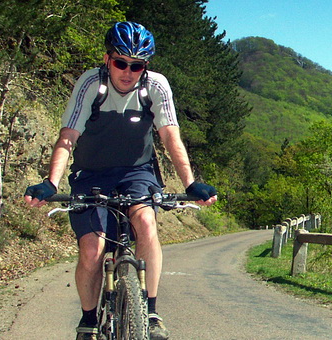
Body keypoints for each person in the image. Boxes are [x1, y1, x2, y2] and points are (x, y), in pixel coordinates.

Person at [23, 21, 217, 340]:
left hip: (137, 172)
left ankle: (150, 312)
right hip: (90, 174)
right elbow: (68, 137)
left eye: (136, 65)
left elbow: (170, 137)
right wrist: (51, 183)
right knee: (93, 247)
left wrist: (191, 182)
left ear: (145, 66)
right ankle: (88, 320)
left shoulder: (155, 86)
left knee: (146, 223)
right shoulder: (91, 84)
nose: (128, 72)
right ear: (107, 59)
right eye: (120, 63)